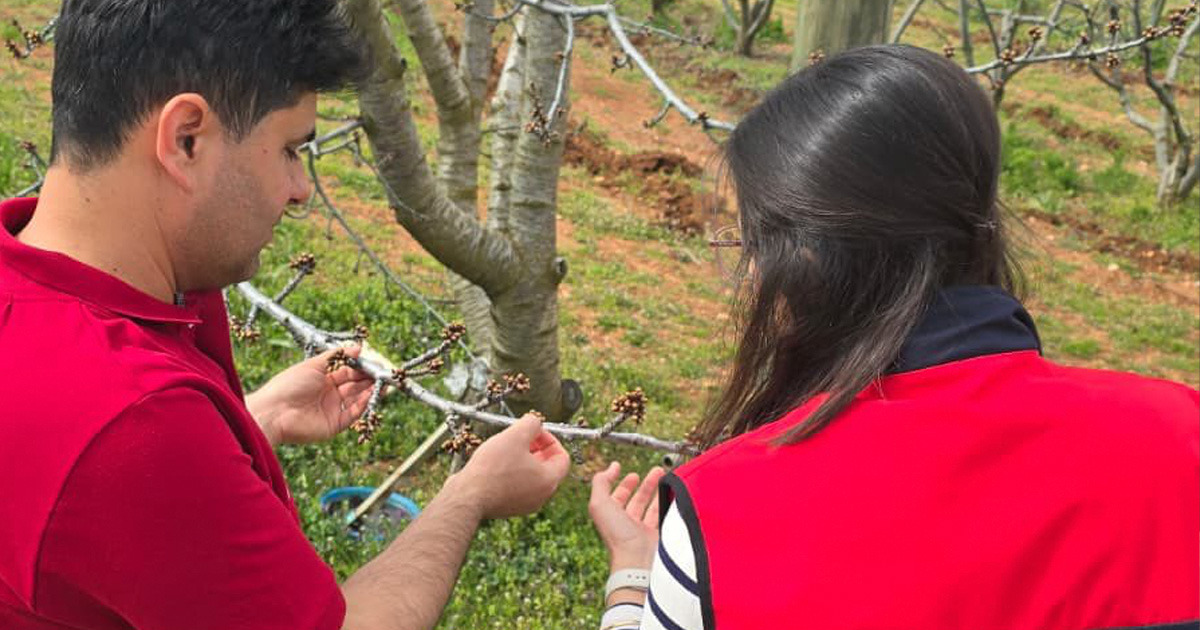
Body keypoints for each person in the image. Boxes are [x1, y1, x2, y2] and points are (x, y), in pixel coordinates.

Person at [0, 1, 571, 629]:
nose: (300, 189)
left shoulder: (80, 300)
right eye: (291, 150)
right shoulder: (135, 426)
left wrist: (254, 421)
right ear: (186, 137)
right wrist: (472, 494)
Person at [588, 45, 1199, 630]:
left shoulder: (724, 514)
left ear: (807, 256)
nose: (750, 278)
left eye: (752, 249)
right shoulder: (1181, 433)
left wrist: (635, 581)